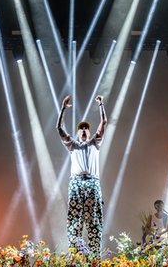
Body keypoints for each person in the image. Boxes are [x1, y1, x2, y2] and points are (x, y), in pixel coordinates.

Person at [57, 94, 107, 256]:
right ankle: (75, 257)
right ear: (78, 133)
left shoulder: (95, 143)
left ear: (89, 131)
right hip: (77, 183)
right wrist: (63, 108)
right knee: (75, 221)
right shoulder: (73, 145)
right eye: (81, 128)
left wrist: (101, 105)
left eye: (86, 128)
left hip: (92, 183)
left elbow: (103, 123)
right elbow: (59, 128)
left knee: (94, 221)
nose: (84, 130)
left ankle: (94, 257)